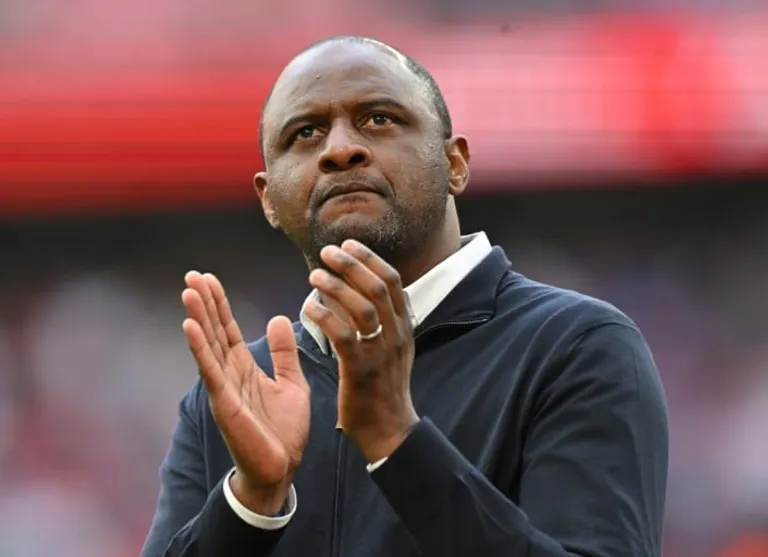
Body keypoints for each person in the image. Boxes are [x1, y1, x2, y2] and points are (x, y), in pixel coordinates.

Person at [141, 36, 669, 557]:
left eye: (379, 119)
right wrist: (250, 502)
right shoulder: (239, 394)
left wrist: (397, 440)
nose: (339, 149)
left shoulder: (574, 347)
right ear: (268, 200)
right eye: (305, 133)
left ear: (455, 164)